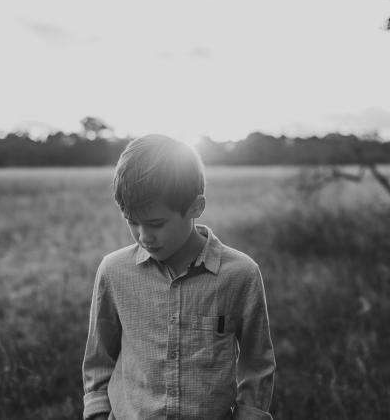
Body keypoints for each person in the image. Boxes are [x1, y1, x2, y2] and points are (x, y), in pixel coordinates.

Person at [82, 134, 276, 420]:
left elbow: (257, 362)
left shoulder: (241, 274)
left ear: (196, 207)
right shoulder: (113, 271)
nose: (144, 237)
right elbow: (99, 358)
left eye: (156, 224)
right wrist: (98, 414)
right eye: (132, 222)